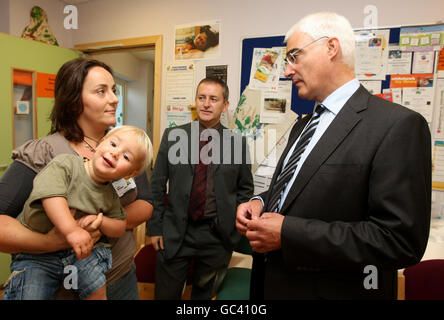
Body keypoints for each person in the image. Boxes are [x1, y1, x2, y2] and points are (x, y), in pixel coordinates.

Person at [236, 12, 431, 300]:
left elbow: (399, 241)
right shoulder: (303, 124)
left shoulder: (396, 126)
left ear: (331, 48)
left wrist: (289, 233)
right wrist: (260, 201)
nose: (287, 71)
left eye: (294, 56)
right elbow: (298, 189)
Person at [0, 57, 154, 300]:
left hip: (121, 274)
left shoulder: (123, 146)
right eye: (101, 91)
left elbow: (145, 202)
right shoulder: (44, 152)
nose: (114, 99)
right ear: (73, 102)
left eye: (113, 91)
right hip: (67, 288)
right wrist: (52, 242)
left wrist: (100, 222)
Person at [3, 125, 152, 300]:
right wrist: (71, 230)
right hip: (36, 256)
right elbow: (51, 197)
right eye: (113, 144)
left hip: (78, 255)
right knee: (30, 294)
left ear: (130, 174)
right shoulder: (66, 164)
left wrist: (100, 221)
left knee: (97, 287)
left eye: (126, 157)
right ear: (100, 143)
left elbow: (120, 226)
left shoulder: (110, 193)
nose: (115, 153)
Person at [148, 77, 254, 299]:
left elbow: (245, 190)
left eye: (213, 99)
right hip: (176, 231)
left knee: (203, 297)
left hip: (217, 236)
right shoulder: (173, 137)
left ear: (225, 106)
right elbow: (157, 185)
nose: (206, 104)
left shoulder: (237, 143)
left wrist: (233, 229)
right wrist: (155, 228)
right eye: (201, 97)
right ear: (195, 101)